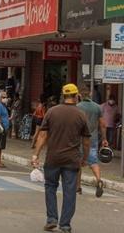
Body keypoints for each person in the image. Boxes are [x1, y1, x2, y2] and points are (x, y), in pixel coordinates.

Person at [32, 84, 90, 233]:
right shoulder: (81, 115)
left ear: (63, 96)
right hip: (72, 160)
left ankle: (52, 219)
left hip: (53, 158)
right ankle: (65, 225)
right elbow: (86, 140)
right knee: (70, 191)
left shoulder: (52, 112)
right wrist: (85, 158)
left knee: (50, 187)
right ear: (77, 96)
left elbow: (43, 135)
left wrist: (35, 154)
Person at [77, 85, 109, 198]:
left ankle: (78, 187)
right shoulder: (97, 107)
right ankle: (99, 180)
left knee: (78, 163)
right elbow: (103, 124)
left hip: (79, 139)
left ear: (79, 95)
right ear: (90, 94)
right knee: (93, 161)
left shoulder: (77, 107)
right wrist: (104, 139)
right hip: (93, 138)